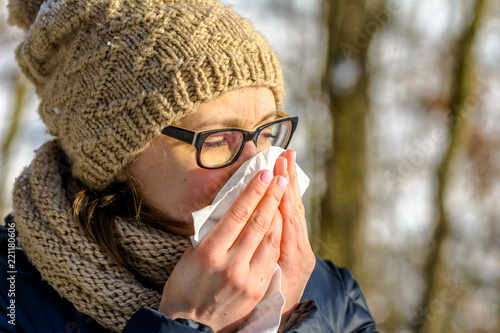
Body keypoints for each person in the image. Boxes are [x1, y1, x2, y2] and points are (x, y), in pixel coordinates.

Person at [0, 0, 378, 332]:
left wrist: (286, 318)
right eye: (216, 139)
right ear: (116, 158)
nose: (258, 164)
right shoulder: (11, 297)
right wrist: (190, 322)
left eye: (266, 131)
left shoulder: (330, 296)